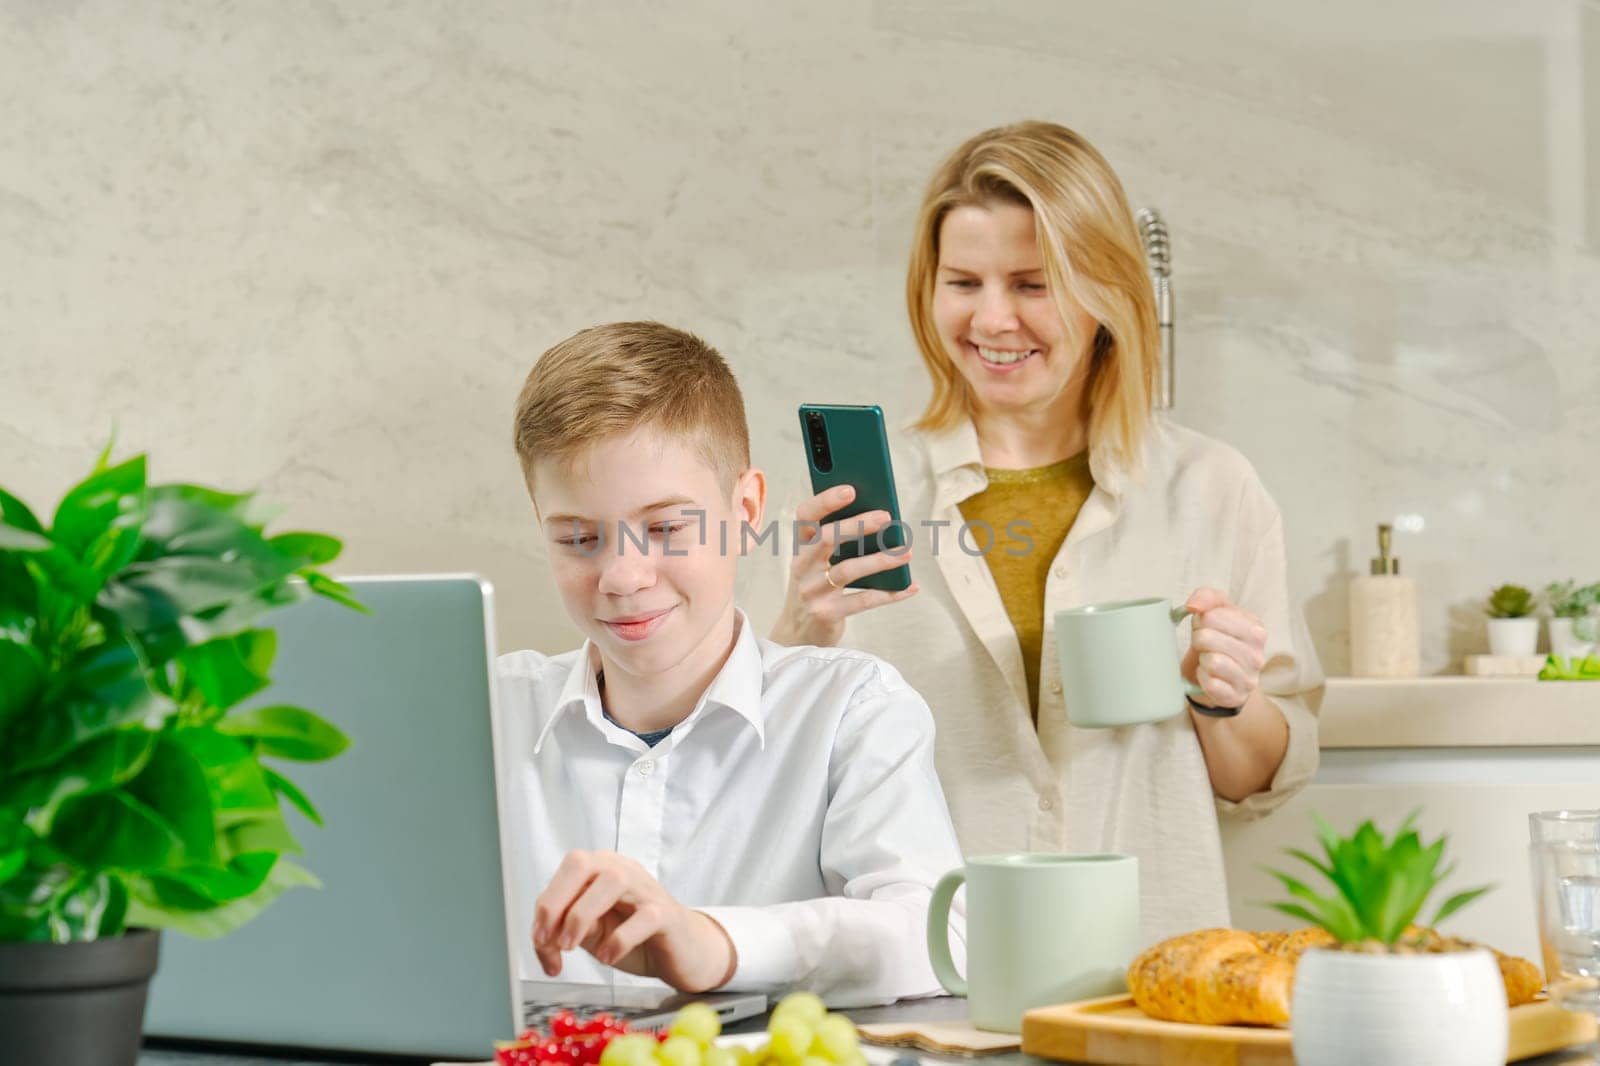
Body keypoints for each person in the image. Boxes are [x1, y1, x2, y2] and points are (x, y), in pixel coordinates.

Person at [770, 122, 1324, 948]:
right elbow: (762, 776)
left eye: (1032, 284)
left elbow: (1256, 782)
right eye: (963, 282)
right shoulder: (854, 499)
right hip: (927, 965)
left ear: (1106, 292)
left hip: (1150, 966)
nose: (993, 319)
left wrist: (1224, 698)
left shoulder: (1213, 489)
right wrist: (797, 638)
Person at [498, 321, 965, 1004]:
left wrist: (716, 942)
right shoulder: (488, 710)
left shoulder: (848, 710)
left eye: (665, 528)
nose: (622, 576)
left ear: (744, 509)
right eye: (578, 538)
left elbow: (941, 936)